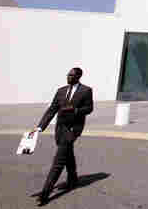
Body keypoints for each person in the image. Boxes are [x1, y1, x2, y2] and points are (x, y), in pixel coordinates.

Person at [32, 67, 94, 206]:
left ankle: (45, 193)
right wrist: (39, 127)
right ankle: (73, 180)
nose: (69, 77)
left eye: (72, 75)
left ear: (78, 76)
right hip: (59, 129)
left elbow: (89, 108)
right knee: (68, 155)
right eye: (68, 74)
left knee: (58, 162)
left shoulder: (86, 90)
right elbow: (52, 109)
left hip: (72, 130)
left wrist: (76, 110)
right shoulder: (61, 91)